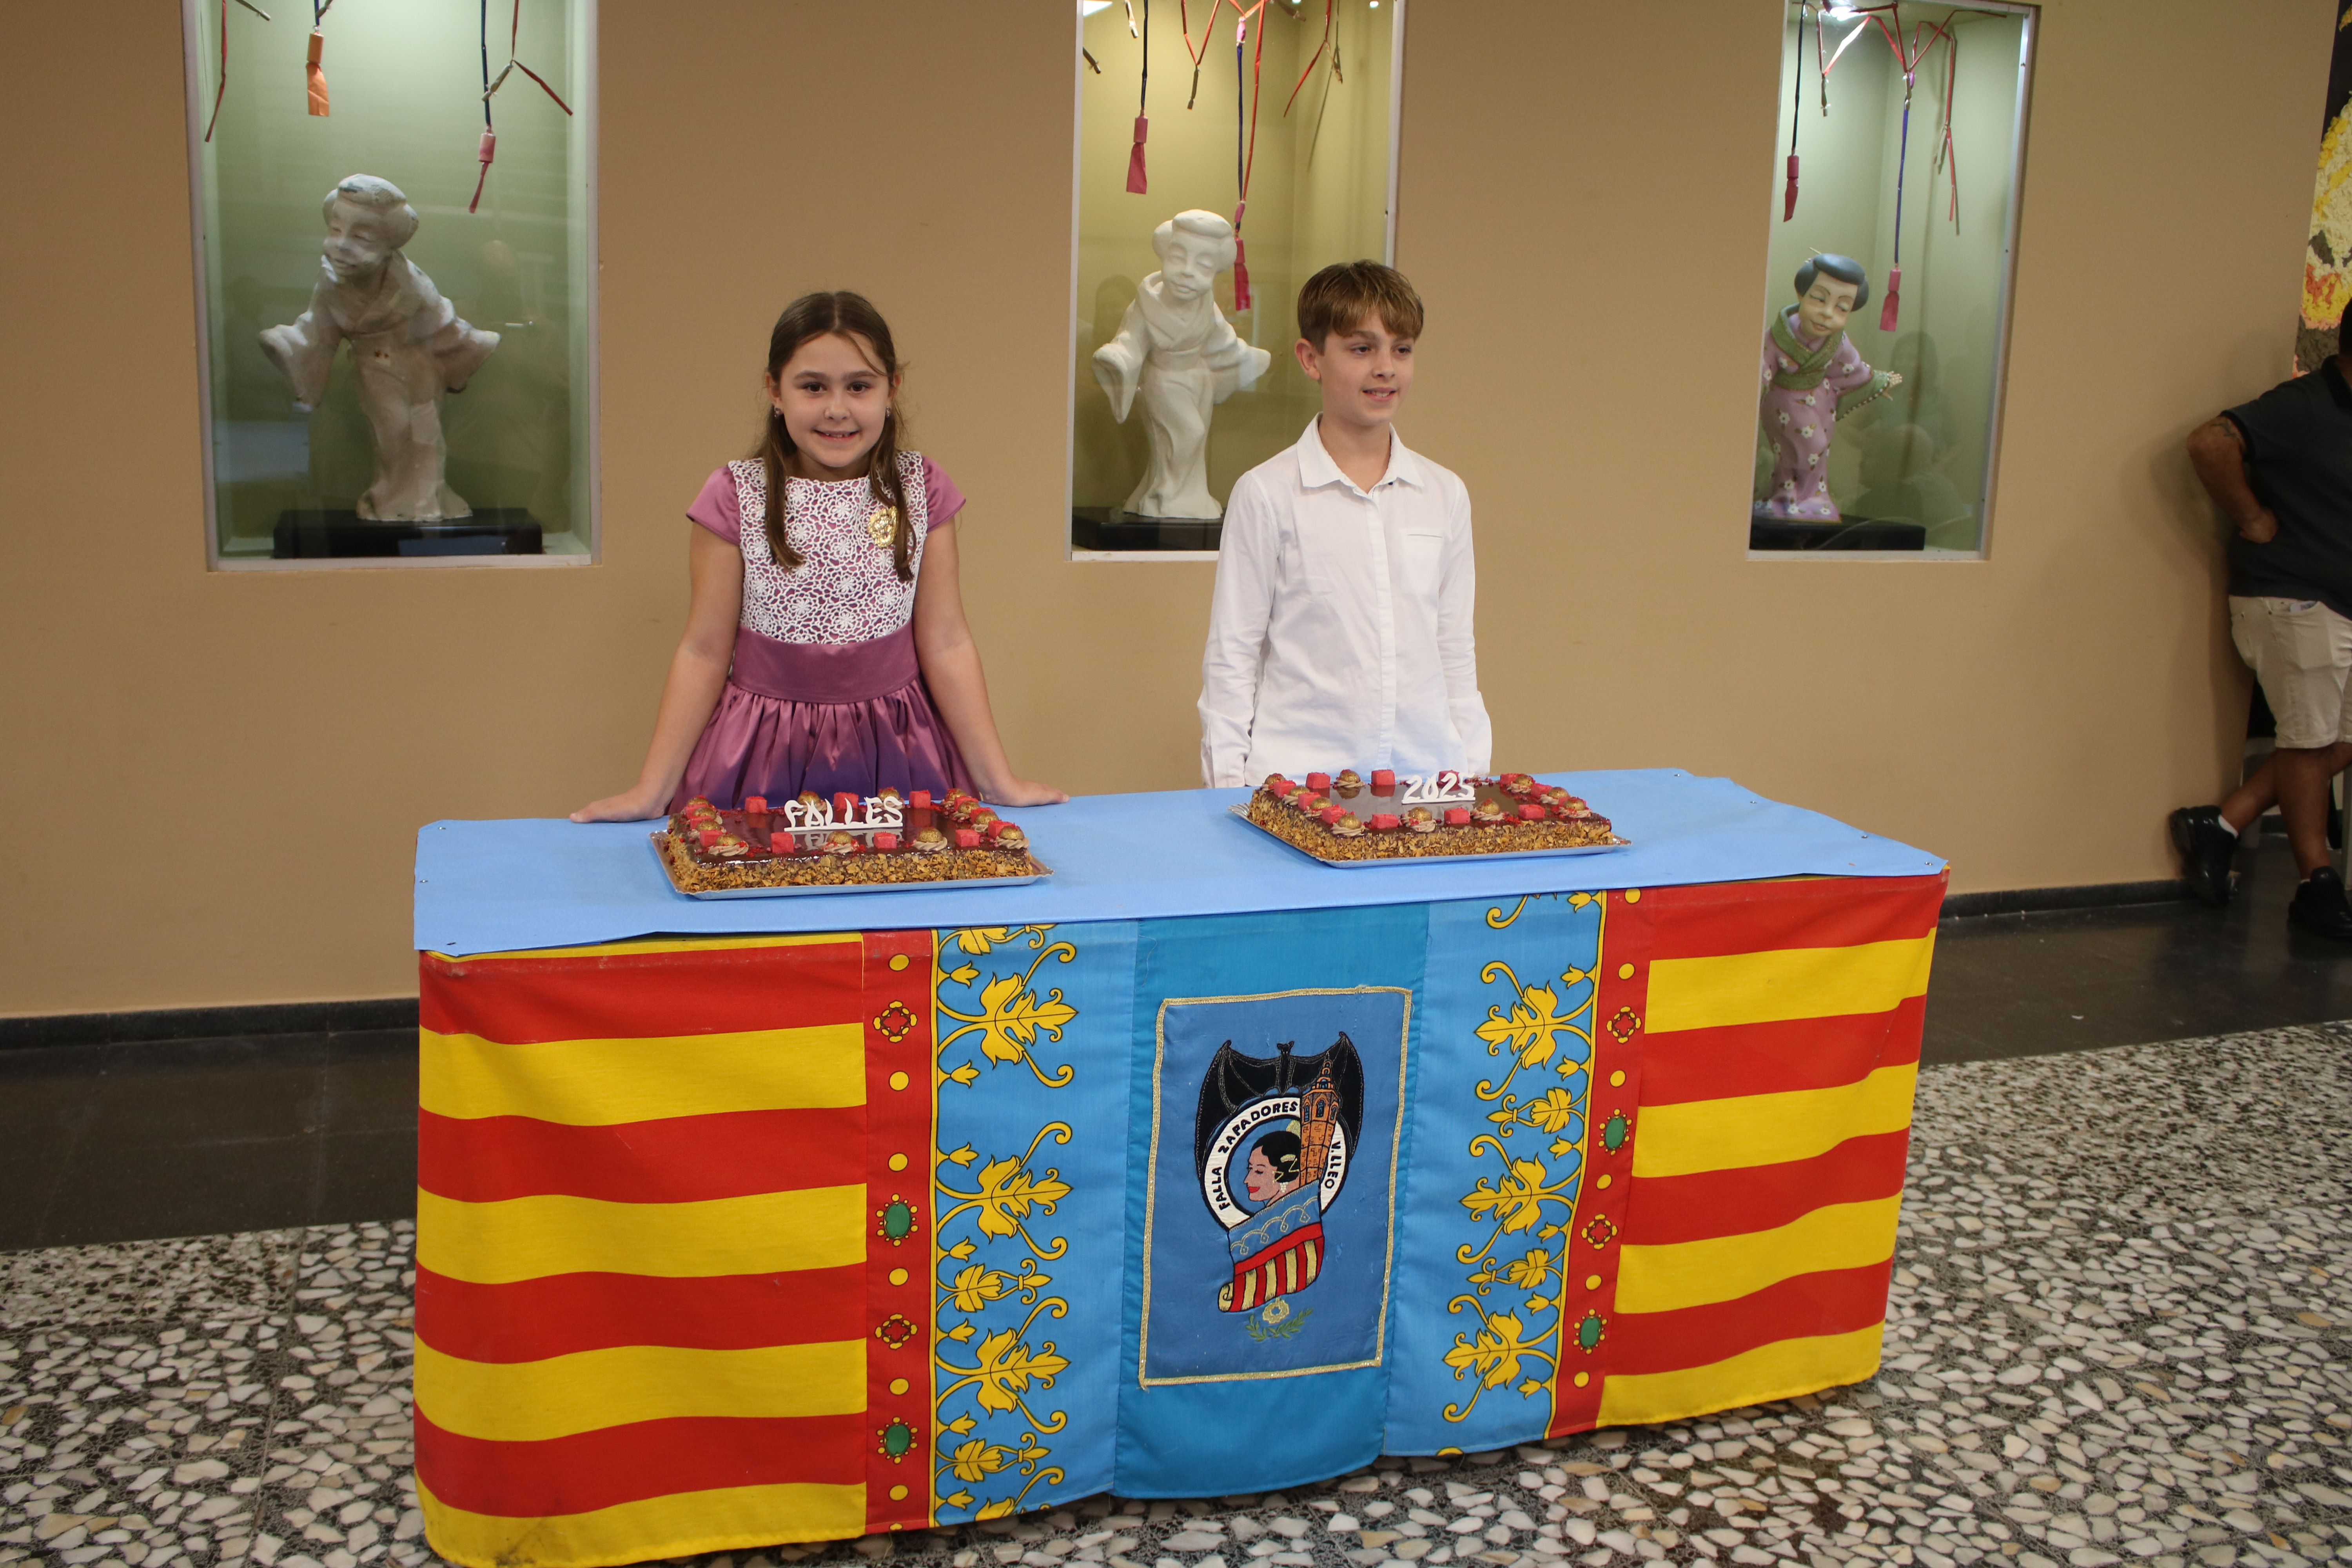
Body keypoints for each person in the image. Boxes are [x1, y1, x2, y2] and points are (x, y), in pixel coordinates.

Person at [573, 292, 1063, 821]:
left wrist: (997, 779)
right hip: (763, 752)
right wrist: (650, 791)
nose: (837, 409)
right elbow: (704, 652)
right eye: (813, 387)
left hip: (898, 750)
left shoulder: (920, 489)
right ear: (775, 391)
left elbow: (946, 642)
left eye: (859, 386)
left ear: (892, 389)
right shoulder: (737, 496)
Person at [1198, 261, 1491, 787]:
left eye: (1402, 350)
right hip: (1299, 785)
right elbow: (1233, 654)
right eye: (1361, 349)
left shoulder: (1444, 493)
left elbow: (1453, 645)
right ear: (1311, 359)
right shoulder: (1267, 493)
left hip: (1425, 782)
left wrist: (1471, 771)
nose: (1386, 368)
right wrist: (1226, 786)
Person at [2170, 327, 2352, 935]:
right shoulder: (2304, 405)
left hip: (2340, 602)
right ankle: (2316, 885)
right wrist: (2251, 517)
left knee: (2335, 740)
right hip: (2295, 597)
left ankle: (2219, 824)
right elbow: (2209, 443)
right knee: (2309, 742)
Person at [1754, 253, 1900, 524]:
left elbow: (1853, 368)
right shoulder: (1778, 335)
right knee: (1810, 447)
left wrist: (1876, 382)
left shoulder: (1837, 342)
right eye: (1819, 299)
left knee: (1814, 452)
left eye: (1842, 308)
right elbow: (1761, 369)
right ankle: (1793, 499)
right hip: (1784, 402)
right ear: (1802, 294)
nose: (1827, 313)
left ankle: (1800, 499)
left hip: (1821, 404)